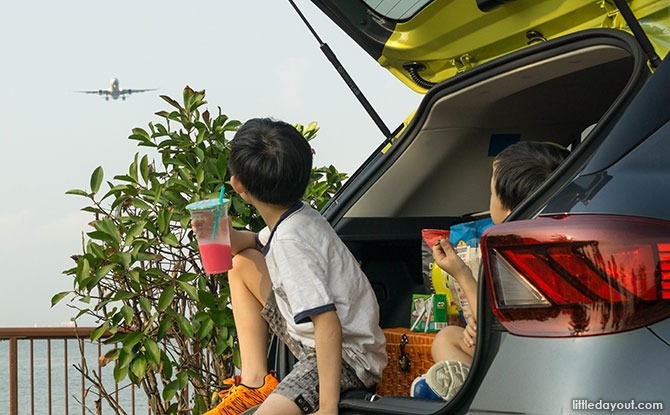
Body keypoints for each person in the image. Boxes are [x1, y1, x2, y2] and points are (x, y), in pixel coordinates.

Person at [202, 118, 387, 415]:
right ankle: (254, 382)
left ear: (237, 185)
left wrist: (327, 409)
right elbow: (255, 242)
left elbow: (327, 325)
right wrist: (222, 234)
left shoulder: (290, 242)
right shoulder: (297, 217)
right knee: (241, 264)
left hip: (345, 359)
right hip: (318, 337)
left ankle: (281, 399)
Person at [413, 141, 570, 401]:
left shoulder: (511, 252)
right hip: (534, 355)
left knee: (445, 342)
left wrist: (462, 274)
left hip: (522, 364)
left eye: (491, 193)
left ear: (509, 208)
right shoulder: (551, 244)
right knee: (449, 336)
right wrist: (477, 325)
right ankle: (467, 384)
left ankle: (473, 391)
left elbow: (495, 326)